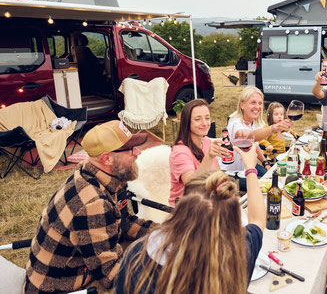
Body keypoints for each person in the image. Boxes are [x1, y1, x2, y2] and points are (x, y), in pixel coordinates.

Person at [24, 121, 155, 293]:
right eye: (130, 150)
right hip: (61, 288)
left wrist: (166, 231)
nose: (138, 153)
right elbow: (111, 273)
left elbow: (123, 222)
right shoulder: (94, 204)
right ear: (107, 158)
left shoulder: (96, 173)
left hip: (76, 269)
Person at [115, 144, 265, 294]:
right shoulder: (241, 251)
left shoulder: (137, 255)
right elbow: (257, 219)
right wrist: (250, 168)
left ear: (180, 207)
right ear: (233, 220)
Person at [220, 86, 292, 180]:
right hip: (232, 173)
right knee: (265, 184)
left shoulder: (256, 121)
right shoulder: (235, 122)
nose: (257, 107)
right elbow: (248, 135)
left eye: (260, 103)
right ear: (242, 105)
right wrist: (274, 128)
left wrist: (265, 163)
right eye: (253, 102)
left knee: (274, 177)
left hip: (248, 166)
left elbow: (255, 144)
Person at [168, 99, 230, 206]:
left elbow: (217, 175)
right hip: (185, 208)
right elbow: (192, 185)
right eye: (197, 119)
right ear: (187, 122)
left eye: (207, 118)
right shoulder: (179, 151)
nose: (205, 123)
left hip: (207, 200)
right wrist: (209, 157)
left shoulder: (206, 141)